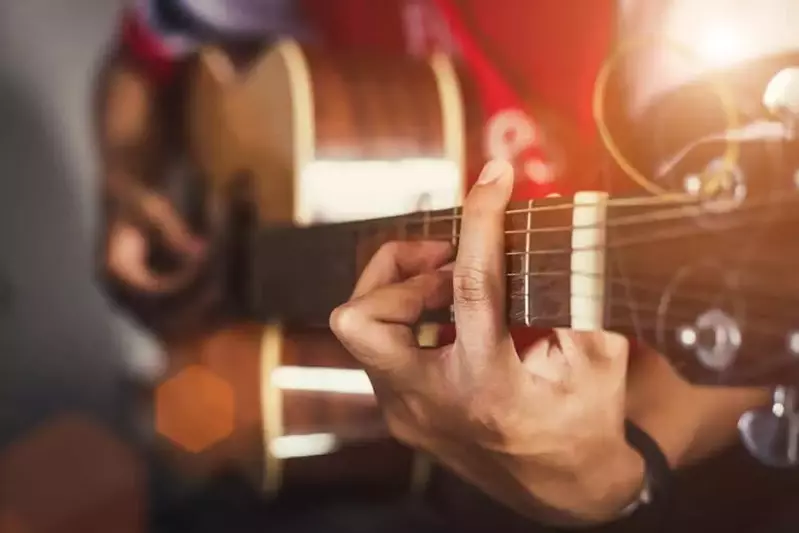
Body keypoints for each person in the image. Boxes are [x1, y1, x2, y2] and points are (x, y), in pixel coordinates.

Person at [94, 1, 776, 531]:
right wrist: (128, 179)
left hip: (622, 432)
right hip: (334, 419)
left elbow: (763, 282)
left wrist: (629, 462)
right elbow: (138, 63)